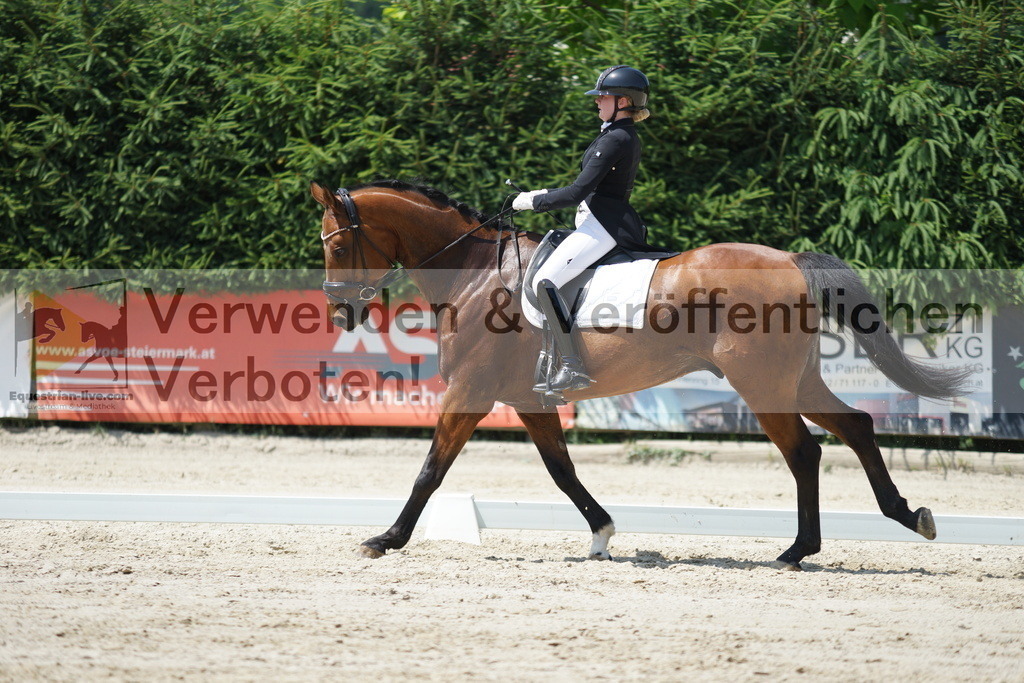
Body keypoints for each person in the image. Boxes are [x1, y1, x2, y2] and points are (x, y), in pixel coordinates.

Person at [512, 65, 675, 396]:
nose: (597, 102)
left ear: (623, 101)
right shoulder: (615, 135)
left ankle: (572, 367)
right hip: (598, 220)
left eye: (603, 97)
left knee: (546, 283)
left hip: (604, 226)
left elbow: (576, 192)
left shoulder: (616, 138)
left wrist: (534, 200)